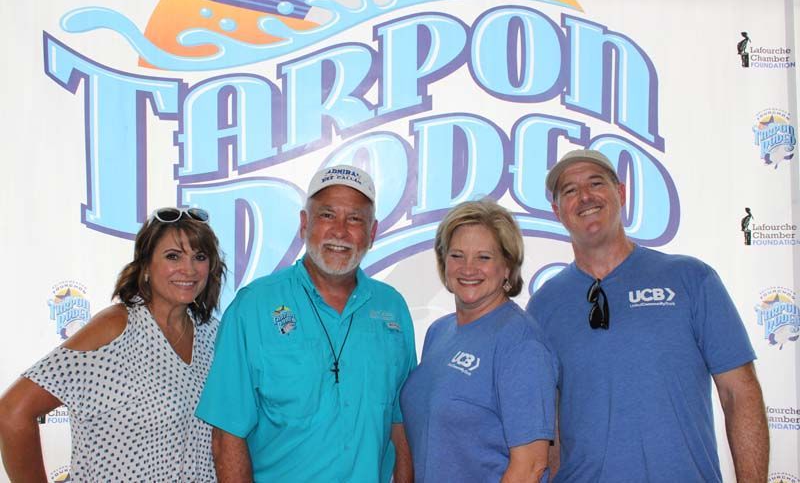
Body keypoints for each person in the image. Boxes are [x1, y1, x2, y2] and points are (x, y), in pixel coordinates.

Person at [527, 149, 769, 482]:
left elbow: (739, 393)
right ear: (557, 211)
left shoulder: (691, 279)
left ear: (621, 193)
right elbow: (548, 422)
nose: (584, 196)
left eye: (596, 183)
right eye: (570, 190)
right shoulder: (543, 305)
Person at [196, 164, 416, 482]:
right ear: (304, 224)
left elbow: (400, 422)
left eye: (355, 219)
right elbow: (227, 436)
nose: (340, 231)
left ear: (372, 233)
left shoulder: (392, 308)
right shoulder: (253, 307)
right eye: (327, 215)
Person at [0, 207, 227, 481]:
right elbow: (13, 412)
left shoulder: (212, 335)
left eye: (199, 257)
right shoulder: (117, 327)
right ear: (145, 265)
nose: (189, 269)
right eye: (173, 256)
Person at [400, 198, 557, 482]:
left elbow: (530, 467)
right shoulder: (439, 332)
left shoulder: (521, 343)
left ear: (507, 267)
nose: (468, 268)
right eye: (457, 255)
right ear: (443, 263)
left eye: (484, 257)